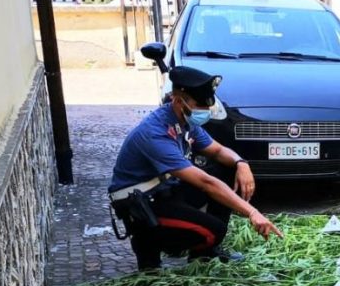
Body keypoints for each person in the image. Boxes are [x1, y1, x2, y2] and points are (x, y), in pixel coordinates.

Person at [108, 66, 283, 270]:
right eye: (199, 104)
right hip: (140, 202)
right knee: (213, 231)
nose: (205, 110)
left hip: (164, 191)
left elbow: (218, 152)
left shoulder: (184, 121)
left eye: (206, 105)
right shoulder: (156, 133)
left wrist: (240, 163)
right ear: (177, 99)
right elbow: (205, 183)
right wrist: (252, 212)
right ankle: (148, 243)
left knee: (226, 169)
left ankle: (204, 253)